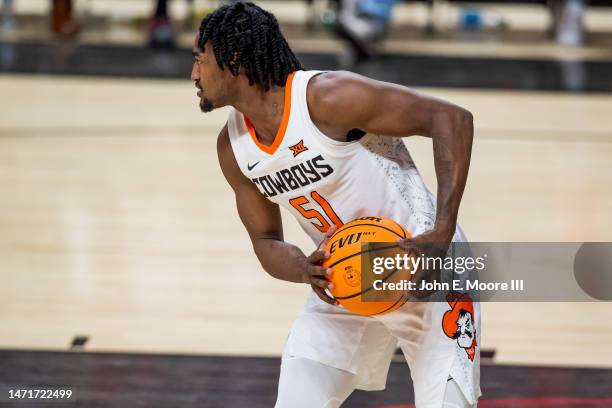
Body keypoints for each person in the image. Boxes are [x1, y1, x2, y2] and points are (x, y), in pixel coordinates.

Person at [191, 3, 480, 407]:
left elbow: (452, 119)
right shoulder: (232, 148)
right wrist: (298, 267)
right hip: (343, 282)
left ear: (233, 59)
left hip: (424, 271)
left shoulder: (327, 98)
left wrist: (443, 230)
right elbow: (264, 239)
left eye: (199, 60)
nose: (194, 75)